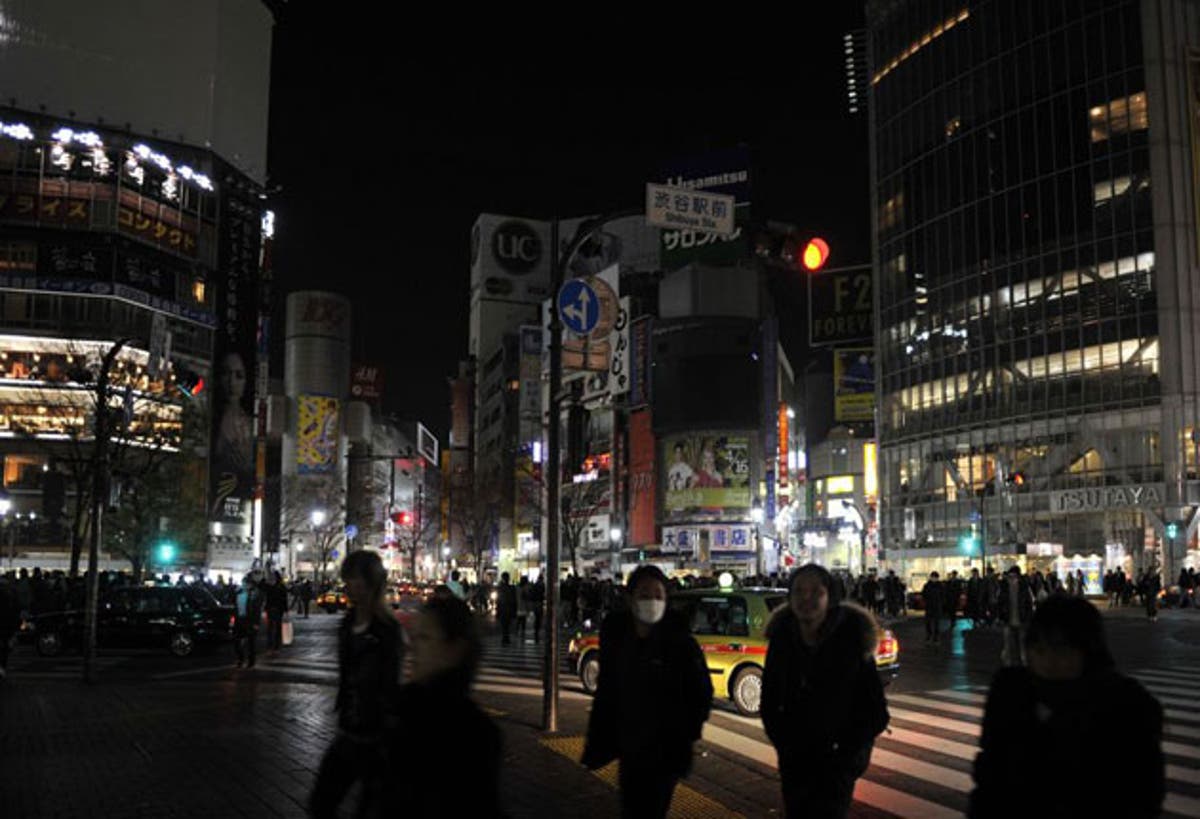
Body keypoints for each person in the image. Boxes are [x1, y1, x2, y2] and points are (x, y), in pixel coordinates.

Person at [969, 595, 1164, 818]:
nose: (1048, 662)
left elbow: (1139, 798)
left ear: (1088, 650)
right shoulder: (1012, 693)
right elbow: (990, 781)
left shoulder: (1125, 708)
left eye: (1061, 650)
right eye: (1039, 650)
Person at [582, 565, 712, 819]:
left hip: (666, 750)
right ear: (630, 599)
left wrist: (685, 733)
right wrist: (600, 738)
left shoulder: (681, 642)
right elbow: (607, 692)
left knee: (652, 809)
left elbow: (701, 694)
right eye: (644, 595)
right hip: (629, 746)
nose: (651, 601)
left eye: (658, 595)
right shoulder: (618, 638)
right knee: (632, 807)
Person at [761, 564, 890, 818]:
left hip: (837, 767)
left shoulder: (852, 640)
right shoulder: (782, 640)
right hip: (795, 764)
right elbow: (770, 702)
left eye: (815, 592)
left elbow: (875, 711)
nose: (806, 599)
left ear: (829, 597)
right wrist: (786, 747)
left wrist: (845, 756)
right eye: (799, 591)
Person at [310, 550, 403, 819]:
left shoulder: (386, 630)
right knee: (321, 801)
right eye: (346, 579)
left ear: (370, 583)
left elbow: (390, 683)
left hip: (377, 736)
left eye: (354, 579)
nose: (348, 585)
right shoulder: (347, 624)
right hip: (349, 729)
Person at [389, 595, 501, 817]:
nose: (412, 648)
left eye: (424, 638)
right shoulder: (400, 708)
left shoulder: (473, 735)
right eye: (414, 637)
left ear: (454, 649)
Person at [997, 566, 1035, 666]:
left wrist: (1028, 617)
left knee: (1021, 644)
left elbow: (1029, 603)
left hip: (1020, 619)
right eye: (1010, 577)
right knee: (1008, 644)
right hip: (1009, 619)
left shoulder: (1024, 587)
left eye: (1014, 576)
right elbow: (1000, 603)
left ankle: (1023, 662)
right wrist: (1001, 616)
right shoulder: (1004, 587)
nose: (1011, 579)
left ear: (1018, 577)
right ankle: (1009, 663)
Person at [233, 572, 264, 669]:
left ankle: (251, 661)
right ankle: (240, 659)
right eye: (243, 583)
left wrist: (256, 623)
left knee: (251, 642)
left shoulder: (255, 594)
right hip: (239, 619)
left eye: (246, 583)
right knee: (237, 641)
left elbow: (257, 610)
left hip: (249, 620)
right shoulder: (238, 593)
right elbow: (235, 606)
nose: (244, 585)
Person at [264, 570, 289, 651]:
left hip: (274, 608)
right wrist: (285, 609)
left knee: (272, 626)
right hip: (276, 608)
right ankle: (274, 644)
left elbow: (284, 599)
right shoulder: (280, 586)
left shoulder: (271, 586)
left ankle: (272, 643)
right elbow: (284, 599)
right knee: (274, 626)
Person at [922, 572, 945, 643]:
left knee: (936, 623)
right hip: (929, 606)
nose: (934, 579)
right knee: (928, 622)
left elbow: (943, 595)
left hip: (937, 606)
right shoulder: (927, 585)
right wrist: (926, 601)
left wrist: (941, 603)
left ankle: (936, 637)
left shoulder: (940, 586)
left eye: (935, 577)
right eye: (933, 577)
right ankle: (929, 635)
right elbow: (924, 594)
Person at [496, 572, 517, 646]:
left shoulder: (500, 588)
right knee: (507, 624)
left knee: (504, 625)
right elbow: (514, 600)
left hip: (503, 609)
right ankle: (506, 638)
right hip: (509, 609)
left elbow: (498, 601)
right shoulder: (512, 588)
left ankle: (505, 638)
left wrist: (497, 611)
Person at [515, 575, 530, 642]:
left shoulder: (517, 587)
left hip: (518, 605)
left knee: (519, 620)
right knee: (522, 620)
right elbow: (527, 597)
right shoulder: (525, 588)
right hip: (523, 606)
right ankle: (521, 632)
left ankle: (517, 631)